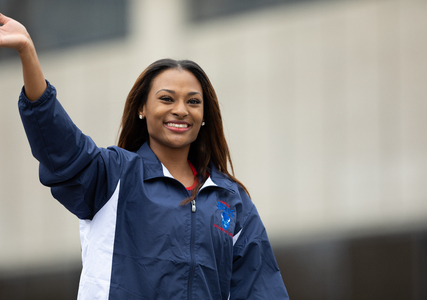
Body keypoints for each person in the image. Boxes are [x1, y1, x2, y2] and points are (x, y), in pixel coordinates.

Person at [0, 13, 289, 299]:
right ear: (142, 109)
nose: (180, 110)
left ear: (204, 117)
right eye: (166, 99)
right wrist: (27, 51)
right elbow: (59, 145)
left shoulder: (232, 200)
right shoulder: (113, 175)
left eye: (193, 102)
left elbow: (261, 289)